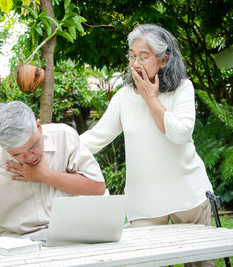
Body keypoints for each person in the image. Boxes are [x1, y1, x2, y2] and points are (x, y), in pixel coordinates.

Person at [80, 24, 214, 266]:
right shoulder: (123, 97)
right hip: (144, 203)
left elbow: (180, 134)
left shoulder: (182, 89)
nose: (135, 64)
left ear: (163, 60)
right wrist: (54, 150)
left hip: (188, 195)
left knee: (200, 263)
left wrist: (151, 98)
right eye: (132, 56)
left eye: (143, 57)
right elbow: (95, 138)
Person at [0, 101, 105, 238]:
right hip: (16, 244)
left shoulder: (64, 137)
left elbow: (97, 188)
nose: (28, 157)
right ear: (3, 147)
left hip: (68, 237)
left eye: (33, 146)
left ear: (39, 127)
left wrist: (46, 176)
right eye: (17, 154)